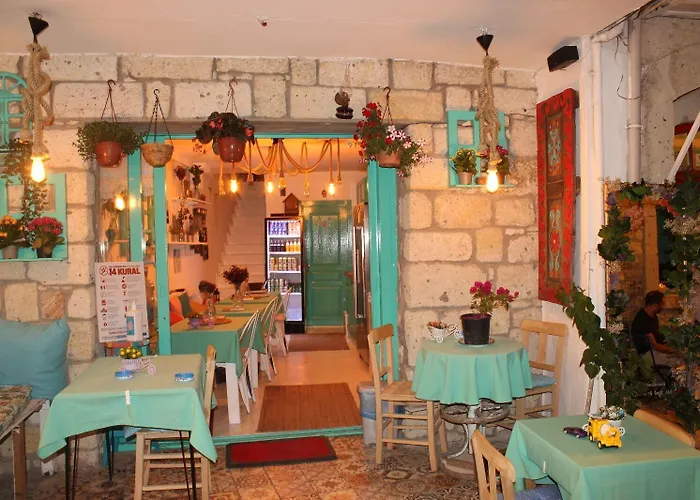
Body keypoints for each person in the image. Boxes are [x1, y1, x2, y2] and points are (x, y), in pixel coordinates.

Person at [631, 291, 679, 366]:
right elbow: (654, 345)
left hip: (655, 351)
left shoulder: (653, 316)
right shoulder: (641, 320)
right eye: (662, 303)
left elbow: (657, 336)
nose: (663, 306)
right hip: (648, 354)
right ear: (655, 305)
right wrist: (674, 350)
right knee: (678, 361)